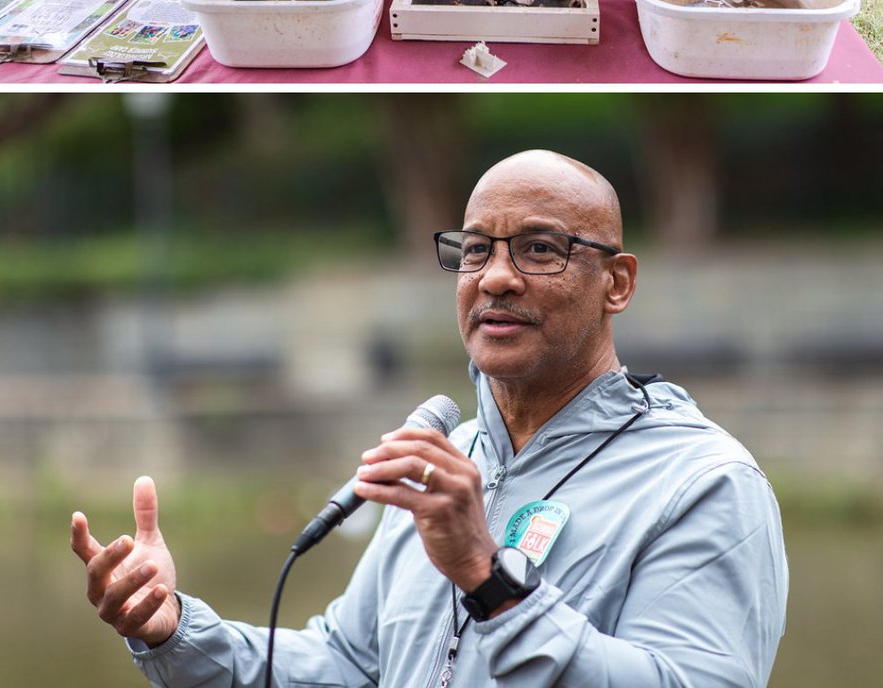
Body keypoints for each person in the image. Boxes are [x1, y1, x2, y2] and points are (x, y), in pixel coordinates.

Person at [71, 149, 787, 687]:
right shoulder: (448, 461)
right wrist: (174, 632)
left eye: (541, 248)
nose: (496, 276)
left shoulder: (705, 482)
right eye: (475, 249)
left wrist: (490, 579)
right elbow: (348, 664)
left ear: (617, 283)